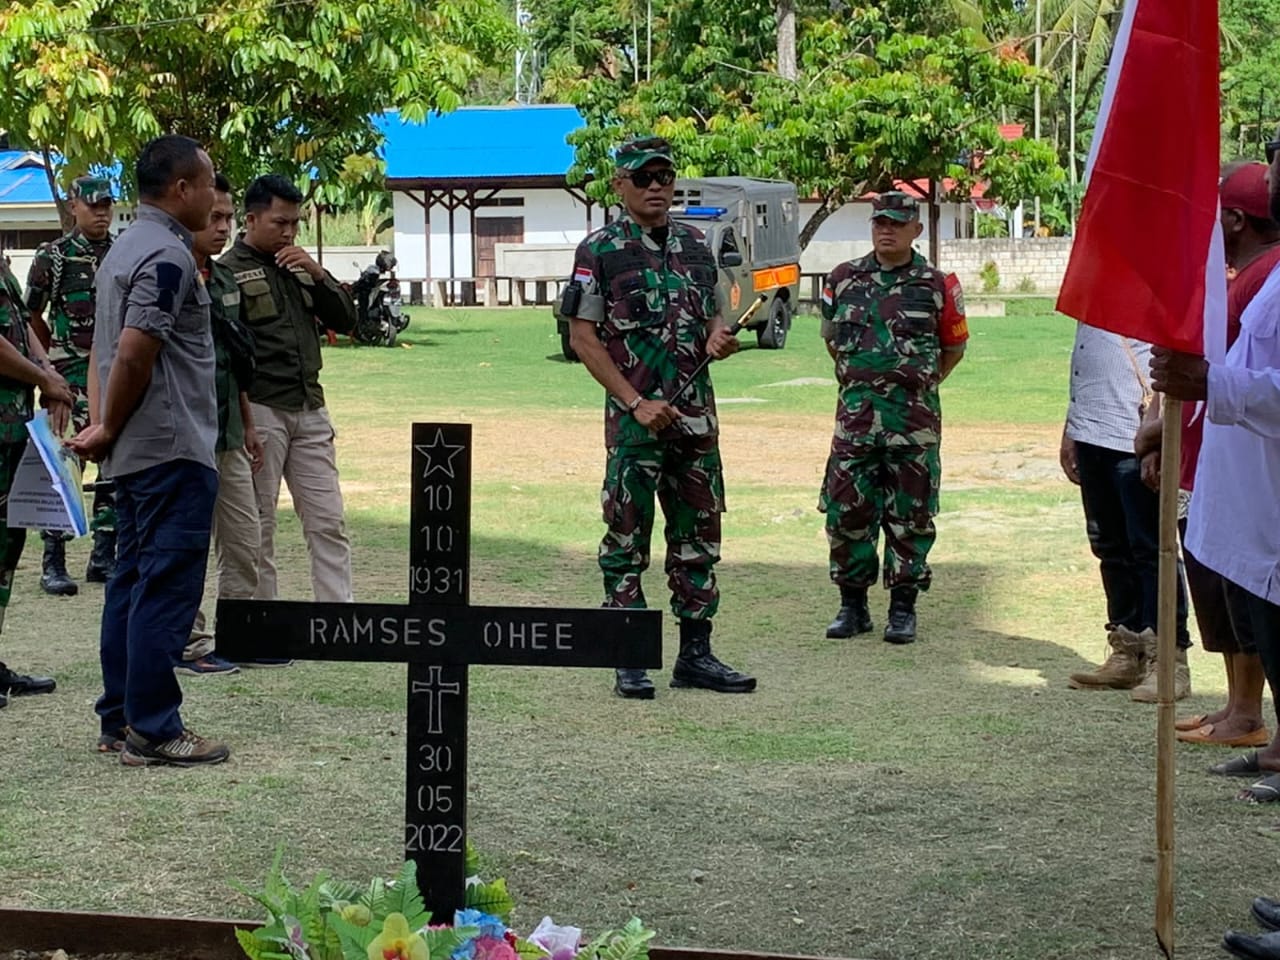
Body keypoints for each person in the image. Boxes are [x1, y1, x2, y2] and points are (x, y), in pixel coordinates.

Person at [561, 135, 755, 699]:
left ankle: (696, 655)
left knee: (699, 539)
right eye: (643, 178)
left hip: (695, 423)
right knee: (626, 539)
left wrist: (720, 337)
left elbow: (715, 313)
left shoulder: (696, 245)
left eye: (664, 177)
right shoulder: (599, 251)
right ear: (619, 184)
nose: (656, 188)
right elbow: (583, 338)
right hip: (636, 426)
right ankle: (629, 656)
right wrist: (634, 402)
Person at [67, 134, 227, 766]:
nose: (215, 195)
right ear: (182, 189)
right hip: (170, 448)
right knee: (164, 590)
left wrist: (107, 425)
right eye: (208, 183)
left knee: (131, 584)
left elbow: (102, 354)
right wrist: (106, 426)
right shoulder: (167, 255)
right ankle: (154, 729)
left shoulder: (123, 248)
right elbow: (134, 350)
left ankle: (120, 717)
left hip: (138, 450)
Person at [1151, 123, 1280, 803]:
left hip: (1264, 495)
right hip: (1245, 492)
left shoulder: (1263, 274)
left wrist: (1207, 387)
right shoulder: (1269, 275)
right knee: (1253, 616)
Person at [818, 191, 967, 645]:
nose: (887, 230)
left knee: (911, 517)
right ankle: (853, 606)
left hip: (913, 426)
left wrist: (914, 387)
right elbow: (832, 340)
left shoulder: (937, 285)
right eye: (880, 222)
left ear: (915, 230)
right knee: (847, 513)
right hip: (855, 424)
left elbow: (954, 348)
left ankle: (903, 608)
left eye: (897, 224)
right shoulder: (842, 279)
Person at [219, 175, 356, 608]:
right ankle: (265, 621)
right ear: (251, 219)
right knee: (258, 524)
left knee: (328, 520)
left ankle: (338, 619)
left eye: (295, 223)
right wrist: (243, 419)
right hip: (261, 408)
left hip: (309, 406)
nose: (289, 232)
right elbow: (227, 354)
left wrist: (317, 274)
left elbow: (347, 321)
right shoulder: (228, 272)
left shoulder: (299, 267)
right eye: (280, 222)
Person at [1061, 320, 1192, 700]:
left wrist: (1159, 438)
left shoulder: (1152, 296)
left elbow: (1169, 364)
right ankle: (1127, 649)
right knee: (1109, 547)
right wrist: (1071, 429)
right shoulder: (1090, 298)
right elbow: (1085, 362)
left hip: (1134, 434)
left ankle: (1168, 658)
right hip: (1091, 433)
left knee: (1151, 549)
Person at [175, 173, 265, 677]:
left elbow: (236, 360)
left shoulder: (226, 279)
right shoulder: (171, 273)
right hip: (187, 434)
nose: (223, 227)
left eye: (229, 217)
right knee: (188, 543)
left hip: (229, 431)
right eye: (215, 217)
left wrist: (249, 424)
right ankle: (188, 642)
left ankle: (239, 634)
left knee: (245, 538)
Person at [24, 174, 117, 595]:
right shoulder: (54, 257)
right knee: (63, 466)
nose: (101, 213)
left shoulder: (123, 253)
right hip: (68, 378)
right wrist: (49, 369)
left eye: (106, 205)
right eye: (93, 205)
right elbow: (31, 318)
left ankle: (104, 556)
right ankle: (54, 561)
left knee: (114, 466)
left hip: (112, 376)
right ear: (73, 206)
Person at [0, 256, 74, 708]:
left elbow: (21, 324)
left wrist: (48, 370)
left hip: (12, 427)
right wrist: (42, 377)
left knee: (6, 550)